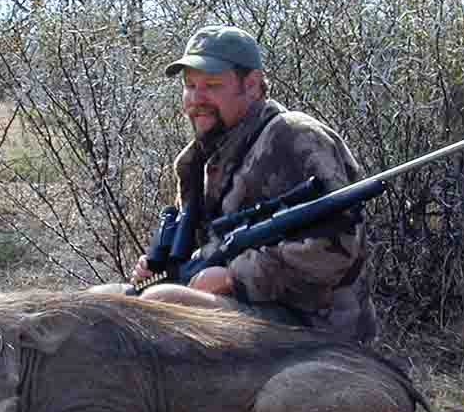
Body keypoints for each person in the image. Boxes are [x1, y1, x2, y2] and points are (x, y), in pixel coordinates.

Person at [108, 24, 379, 342]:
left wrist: (234, 277)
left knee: (163, 302)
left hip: (312, 324)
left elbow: (336, 248)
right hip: (241, 308)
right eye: (190, 86)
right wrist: (159, 271)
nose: (197, 98)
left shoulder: (295, 137)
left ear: (251, 85)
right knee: (104, 300)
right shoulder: (198, 158)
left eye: (211, 85)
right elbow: (199, 248)